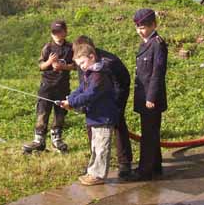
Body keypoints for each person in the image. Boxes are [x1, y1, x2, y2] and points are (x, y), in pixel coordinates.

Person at [73, 35, 133, 179]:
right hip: (96, 96)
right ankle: (95, 165)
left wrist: (116, 104)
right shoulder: (83, 60)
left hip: (116, 93)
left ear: (91, 51)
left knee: (118, 123)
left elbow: (123, 81)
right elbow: (84, 83)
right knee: (92, 126)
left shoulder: (108, 62)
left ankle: (125, 163)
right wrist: (81, 103)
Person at [60, 44, 119, 186]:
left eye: (83, 62)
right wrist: (70, 98)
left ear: (92, 57)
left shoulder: (99, 75)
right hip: (94, 117)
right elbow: (80, 90)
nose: (81, 67)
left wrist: (72, 103)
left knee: (102, 148)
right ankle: (92, 171)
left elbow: (89, 94)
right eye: (79, 64)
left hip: (104, 117)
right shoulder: (90, 73)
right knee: (95, 146)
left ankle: (98, 175)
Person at [23, 20, 75, 154]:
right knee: (42, 112)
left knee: (60, 114)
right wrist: (50, 62)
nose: (57, 34)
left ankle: (57, 139)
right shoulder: (48, 47)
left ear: (65, 31)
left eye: (59, 31)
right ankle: (39, 140)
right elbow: (41, 66)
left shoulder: (70, 48)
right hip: (47, 86)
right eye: (54, 32)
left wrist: (63, 66)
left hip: (62, 86)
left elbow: (75, 65)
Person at [131, 8, 168, 180]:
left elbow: (157, 73)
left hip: (150, 98)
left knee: (149, 135)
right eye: (138, 27)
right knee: (151, 132)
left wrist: (151, 97)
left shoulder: (158, 44)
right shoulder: (145, 43)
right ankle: (155, 166)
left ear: (154, 25)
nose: (140, 31)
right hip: (143, 95)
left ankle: (145, 171)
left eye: (143, 27)